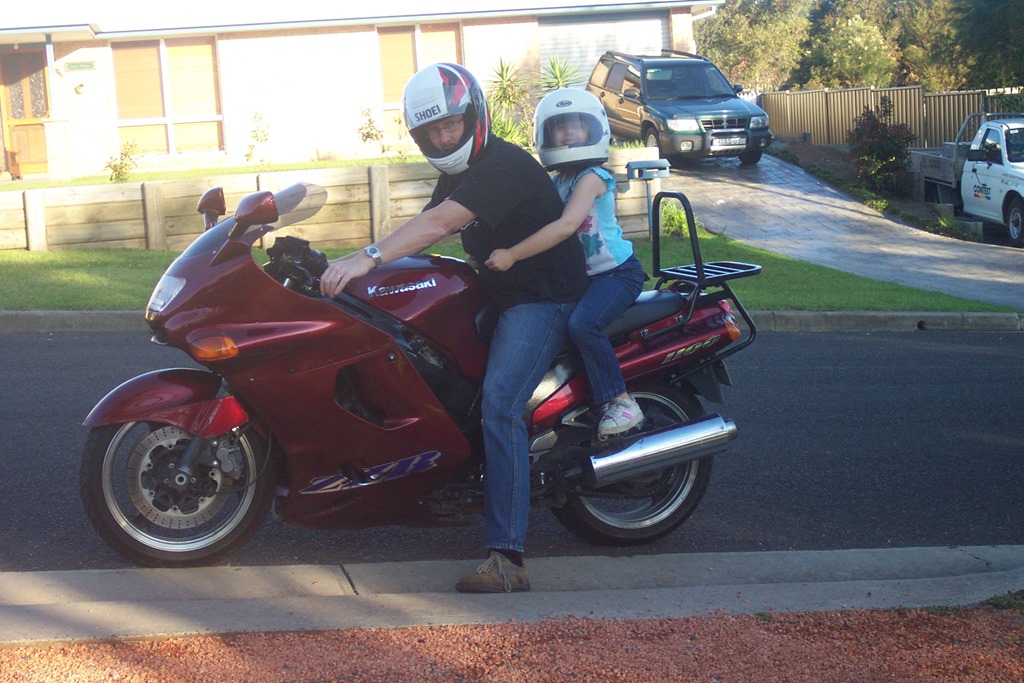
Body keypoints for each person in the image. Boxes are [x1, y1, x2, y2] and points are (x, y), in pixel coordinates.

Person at [319, 64, 589, 594]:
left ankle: (508, 558)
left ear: (474, 116)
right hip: (499, 290)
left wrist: (366, 257)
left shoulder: (501, 165)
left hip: (541, 297)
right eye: (432, 131)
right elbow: (422, 228)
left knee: (501, 404)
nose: (444, 138)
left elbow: (441, 223)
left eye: (451, 125)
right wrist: (349, 266)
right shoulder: (460, 173)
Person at [485, 88, 647, 440]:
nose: (568, 133)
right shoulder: (558, 182)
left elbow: (564, 227)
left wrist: (513, 254)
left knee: (583, 324)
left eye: (577, 125)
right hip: (587, 278)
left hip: (616, 275)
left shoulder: (592, 177)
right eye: (559, 127)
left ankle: (620, 401)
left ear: (594, 129)